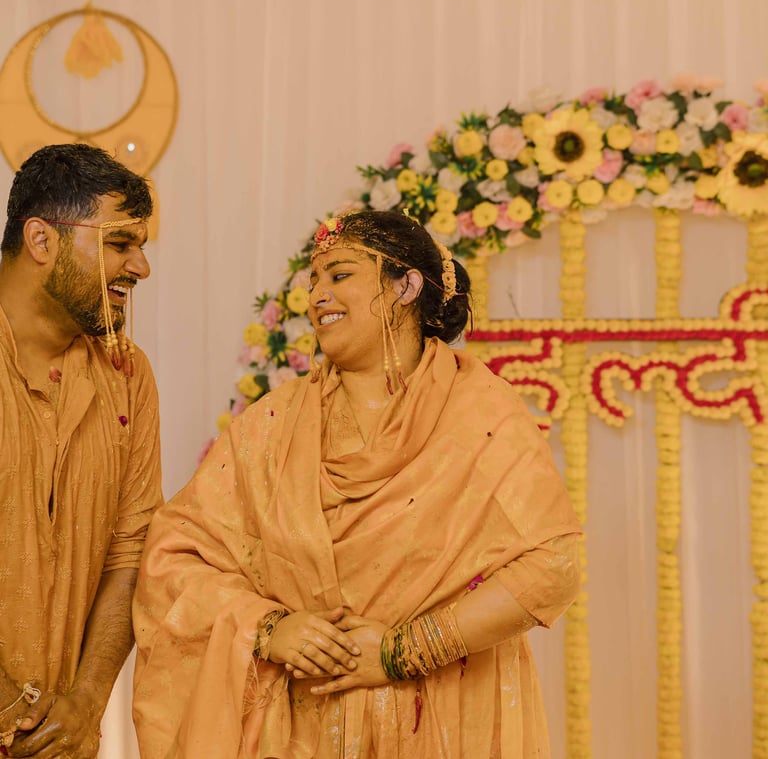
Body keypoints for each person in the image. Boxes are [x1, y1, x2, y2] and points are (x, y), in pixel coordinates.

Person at [133, 209, 581, 758]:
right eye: (313, 281)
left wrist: (402, 651)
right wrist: (270, 629)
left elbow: (552, 565)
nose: (317, 295)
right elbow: (175, 558)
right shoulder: (273, 425)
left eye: (339, 275)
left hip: (443, 714)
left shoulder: (480, 413)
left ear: (406, 286)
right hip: (303, 724)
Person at [0, 143, 163, 758]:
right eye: (120, 244)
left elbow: (130, 553)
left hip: (59, 742)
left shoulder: (127, 374)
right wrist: (9, 705)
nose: (141, 267)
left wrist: (87, 703)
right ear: (42, 240)